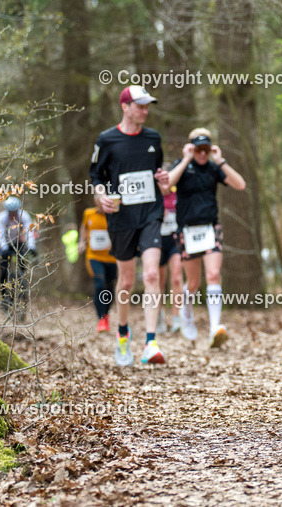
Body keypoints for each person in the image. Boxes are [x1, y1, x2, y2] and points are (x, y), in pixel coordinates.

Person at [90, 85, 171, 365]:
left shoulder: (153, 138)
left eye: (147, 106)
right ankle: (123, 333)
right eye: (140, 106)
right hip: (121, 217)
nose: (145, 111)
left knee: (151, 275)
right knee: (125, 281)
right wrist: (101, 195)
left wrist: (163, 180)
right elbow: (96, 177)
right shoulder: (107, 140)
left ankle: (151, 343)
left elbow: (157, 171)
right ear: (125, 107)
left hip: (150, 214)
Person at [166, 128, 246, 348]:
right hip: (187, 231)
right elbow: (167, 185)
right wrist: (185, 159)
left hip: (211, 228)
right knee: (193, 282)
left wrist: (221, 161)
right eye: (198, 149)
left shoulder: (213, 168)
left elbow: (240, 184)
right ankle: (186, 315)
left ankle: (215, 328)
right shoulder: (182, 166)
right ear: (192, 148)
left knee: (213, 274)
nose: (202, 154)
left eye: (206, 149)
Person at [0, 196, 37, 316]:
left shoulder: (24, 216)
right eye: (11, 212)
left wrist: (32, 247)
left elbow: (29, 232)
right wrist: (4, 249)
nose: (13, 214)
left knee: (22, 268)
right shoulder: (1, 218)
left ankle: (20, 287)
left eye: (15, 212)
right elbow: (0, 234)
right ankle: (4, 298)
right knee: (3, 270)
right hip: (6, 244)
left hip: (19, 243)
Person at [79, 206, 118, 333]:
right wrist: (82, 242)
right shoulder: (89, 213)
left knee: (109, 286)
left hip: (112, 258)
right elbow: (84, 227)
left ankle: (105, 314)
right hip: (94, 256)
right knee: (100, 284)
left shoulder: (115, 213)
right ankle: (101, 318)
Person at [157, 189, 185, 334]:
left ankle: (177, 318)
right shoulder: (155, 192)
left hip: (175, 240)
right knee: (159, 282)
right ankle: (159, 318)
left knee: (176, 278)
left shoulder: (177, 193)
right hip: (158, 240)